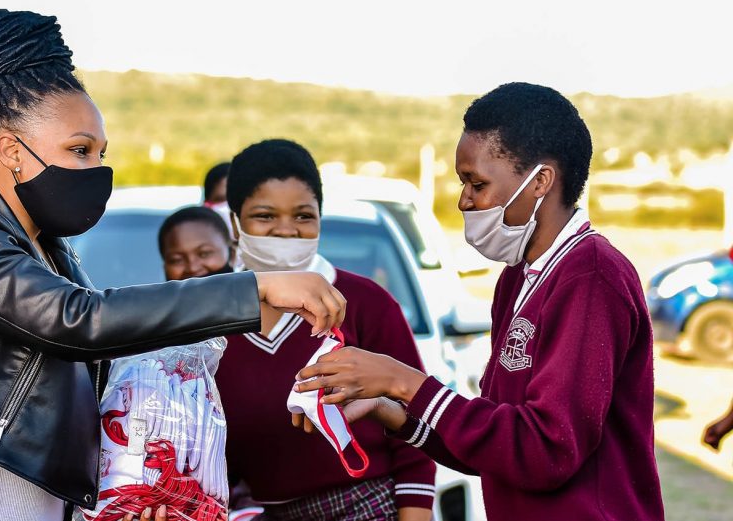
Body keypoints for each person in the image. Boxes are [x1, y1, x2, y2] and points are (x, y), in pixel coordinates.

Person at [0, 10, 346, 521]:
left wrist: (149, 483)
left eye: (100, 152)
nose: (97, 170)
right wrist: (253, 288)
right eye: (79, 151)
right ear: (10, 151)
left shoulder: (52, 252)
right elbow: (79, 320)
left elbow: (107, 379)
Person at [294, 83, 665, 521]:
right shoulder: (517, 278)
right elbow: (494, 445)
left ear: (540, 182)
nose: (464, 199)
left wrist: (403, 381)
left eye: (477, 183)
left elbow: (547, 450)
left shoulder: (591, 275)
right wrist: (393, 413)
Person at [214, 140, 435, 521]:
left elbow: (417, 423)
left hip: (365, 505)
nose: (286, 231)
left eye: (303, 216)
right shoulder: (212, 314)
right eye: (265, 216)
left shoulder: (366, 303)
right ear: (235, 223)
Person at [159, 206, 236, 280]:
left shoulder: (247, 291)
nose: (192, 268)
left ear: (232, 254)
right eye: (177, 260)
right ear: (165, 267)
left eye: (204, 254)